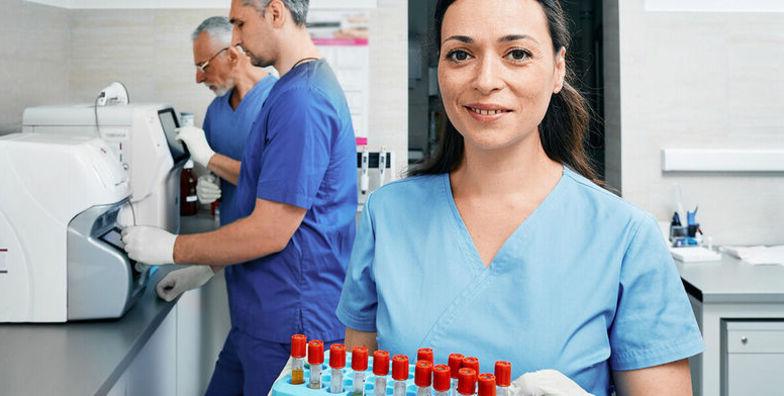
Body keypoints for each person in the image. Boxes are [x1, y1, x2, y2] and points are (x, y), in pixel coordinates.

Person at [336, 1, 703, 395]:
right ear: (439, 68)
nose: (485, 80)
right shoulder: (388, 215)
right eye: (460, 54)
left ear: (558, 69)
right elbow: (357, 382)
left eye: (517, 54)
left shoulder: (626, 237)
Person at [121, 0, 358, 394]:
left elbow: (271, 231)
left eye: (240, 23)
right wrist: (207, 266)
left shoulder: (304, 99)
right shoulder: (288, 92)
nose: (234, 39)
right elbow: (260, 199)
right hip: (258, 315)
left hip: (291, 325)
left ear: (276, 13)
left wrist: (172, 247)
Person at [154, 16, 277, 303]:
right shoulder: (216, 112)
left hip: (273, 263)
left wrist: (210, 159)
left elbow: (269, 182)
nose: (198, 78)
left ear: (232, 55)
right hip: (231, 258)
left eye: (203, 66)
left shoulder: (278, 103)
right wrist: (208, 183)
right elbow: (218, 176)